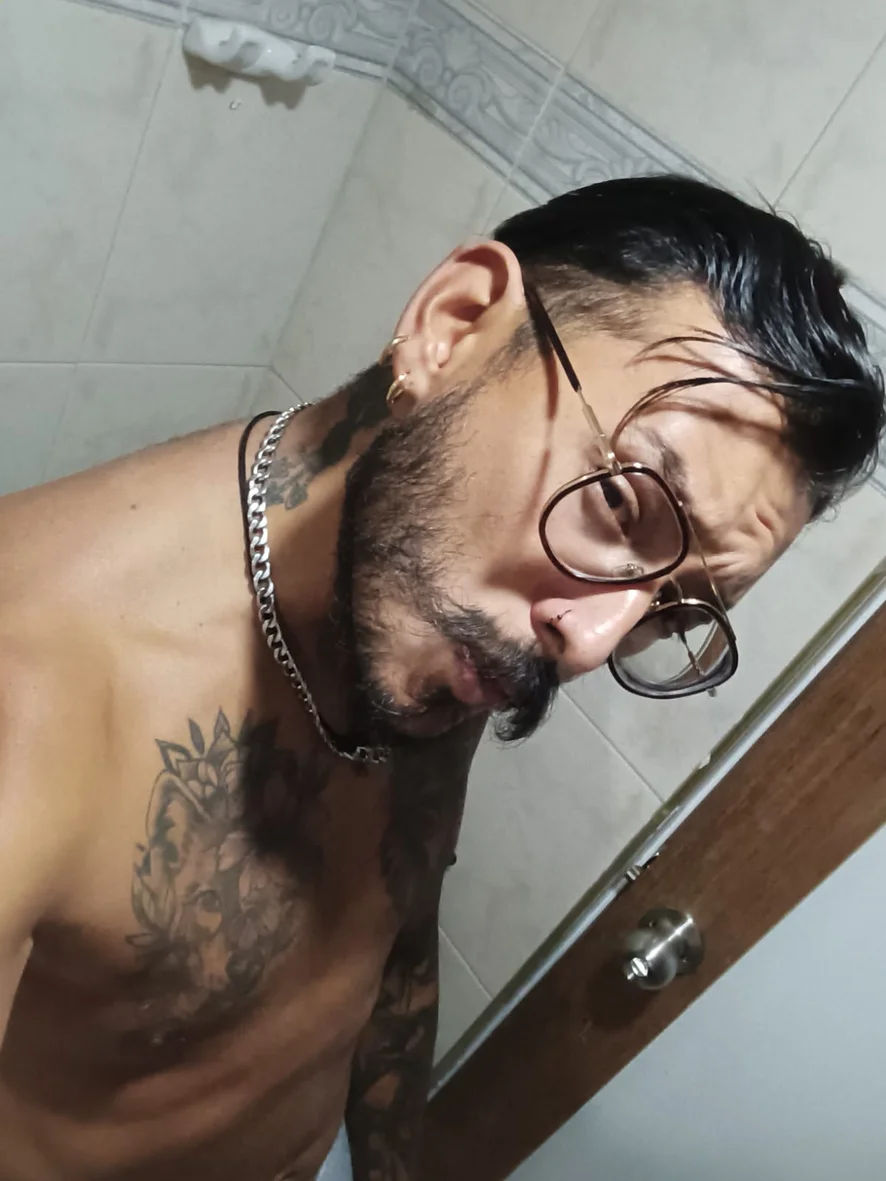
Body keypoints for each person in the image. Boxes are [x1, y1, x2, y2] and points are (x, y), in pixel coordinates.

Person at [0, 175, 881, 1181]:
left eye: (672, 610)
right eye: (625, 503)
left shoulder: (435, 601)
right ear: (451, 327)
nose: (591, 641)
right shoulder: (35, 681)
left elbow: (395, 934)